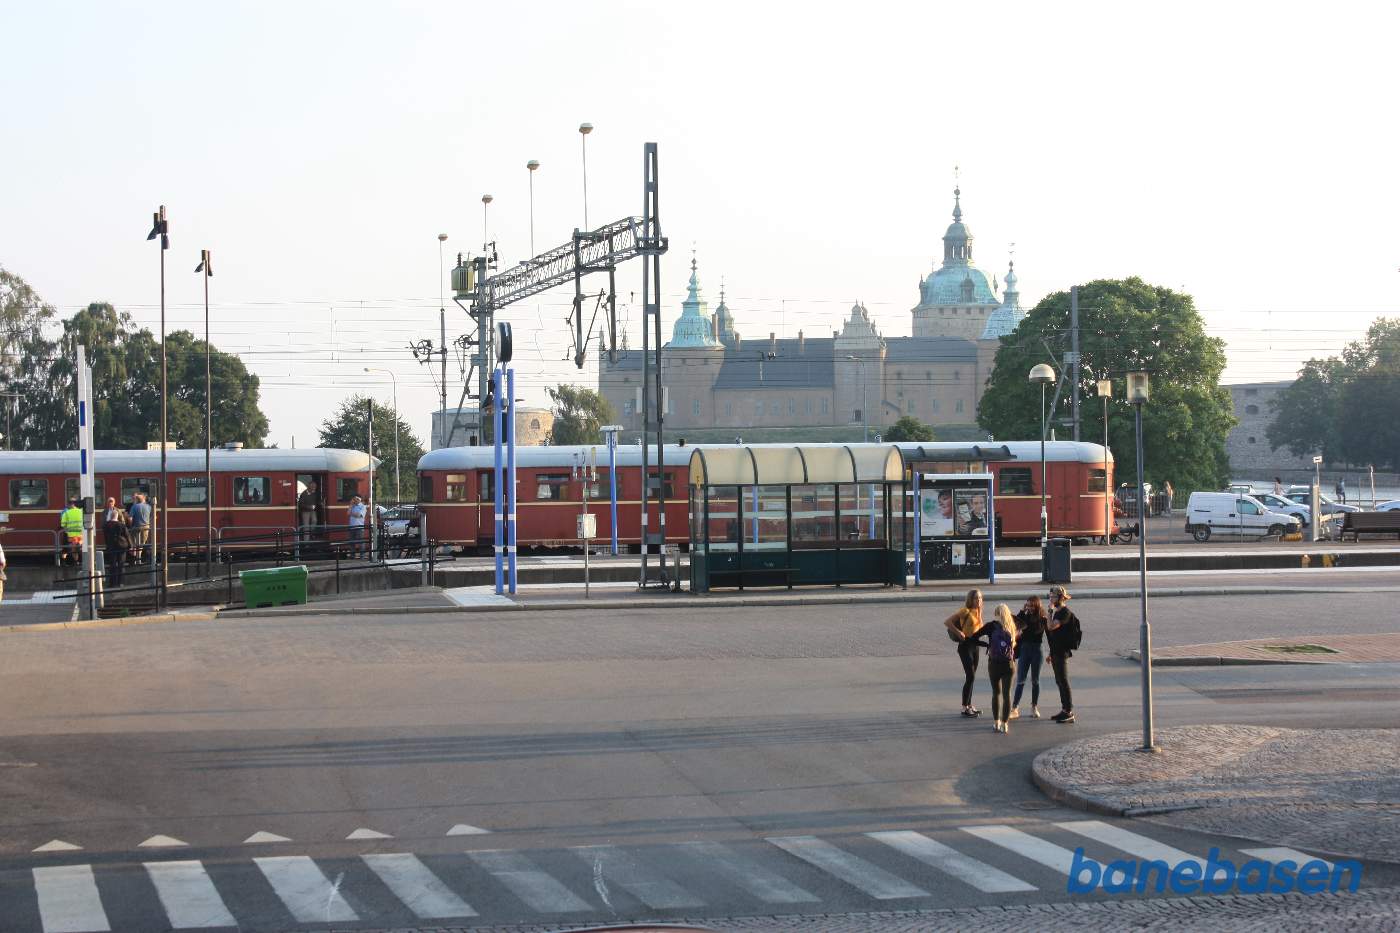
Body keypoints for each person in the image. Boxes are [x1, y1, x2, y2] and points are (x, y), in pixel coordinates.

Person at [970, 604, 1018, 733]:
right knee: (1007, 694)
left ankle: (996, 722)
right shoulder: (1012, 626)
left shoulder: (991, 626)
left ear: (996, 613)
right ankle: (1005, 723)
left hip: (994, 664)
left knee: (996, 693)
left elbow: (974, 637)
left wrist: (987, 645)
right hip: (1009, 664)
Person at [944, 589, 984, 717]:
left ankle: (969, 705)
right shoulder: (965, 611)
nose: (979, 600)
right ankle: (964, 707)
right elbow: (947, 622)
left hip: (975, 646)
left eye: (980, 598)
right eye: (976, 598)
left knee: (972, 677)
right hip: (965, 646)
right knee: (970, 676)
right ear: (970, 599)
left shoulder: (978, 611)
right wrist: (958, 632)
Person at [1010, 595, 1048, 720]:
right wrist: (1022, 611)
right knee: (1020, 680)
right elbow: (1013, 622)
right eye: (1028, 605)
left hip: (1037, 650)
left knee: (1035, 680)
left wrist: (1051, 653)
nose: (1030, 608)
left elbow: (1036, 630)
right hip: (1025, 649)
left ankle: (1034, 707)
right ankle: (1015, 708)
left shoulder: (1042, 618)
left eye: (1032, 605)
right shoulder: (1024, 616)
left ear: (1037, 606)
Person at [1046, 584, 1080, 723]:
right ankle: (1064, 709)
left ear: (1060, 597)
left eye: (1053, 596)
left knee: (1063, 681)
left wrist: (1049, 611)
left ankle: (1069, 711)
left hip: (1062, 653)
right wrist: (1050, 653)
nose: (1051, 598)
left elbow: (1051, 626)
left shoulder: (1064, 613)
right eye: (1050, 596)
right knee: (1059, 681)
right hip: (1056, 652)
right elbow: (1055, 636)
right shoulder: (1058, 612)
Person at [104, 509, 131, 587]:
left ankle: (112, 583)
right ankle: (121, 582)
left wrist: (108, 545)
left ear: (110, 516)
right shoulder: (122, 525)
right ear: (117, 516)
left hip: (111, 547)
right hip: (122, 547)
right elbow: (127, 536)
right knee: (121, 565)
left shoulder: (106, 525)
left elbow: (106, 537)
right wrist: (130, 546)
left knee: (112, 565)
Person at [128, 492, 152, 564]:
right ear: (143, 499)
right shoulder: (149, 506)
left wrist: (131, 525)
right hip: (146, 527)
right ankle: (139, 560)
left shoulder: (134, 506)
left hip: (136, 527)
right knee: (142, 544)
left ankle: (135, 560)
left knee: (133, 544)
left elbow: (130, 518)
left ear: (137, 500)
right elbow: (153, 517)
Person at [59, 498, 84, 565]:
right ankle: (79, 561)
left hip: (71, 534)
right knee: (78, 548)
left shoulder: (66, 513)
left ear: (69, 504)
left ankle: (75, 562)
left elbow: (63, 524)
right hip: (80, 534)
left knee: (72, 549)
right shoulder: (81, 511)